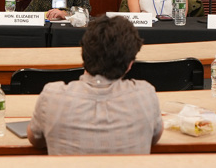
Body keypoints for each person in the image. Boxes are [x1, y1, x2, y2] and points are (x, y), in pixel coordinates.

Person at [27, 15, 163, 155]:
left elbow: (35, 140)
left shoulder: (52, 96)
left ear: (83, 55)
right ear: (130, 65)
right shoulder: (146, 95)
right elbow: (155, 136)